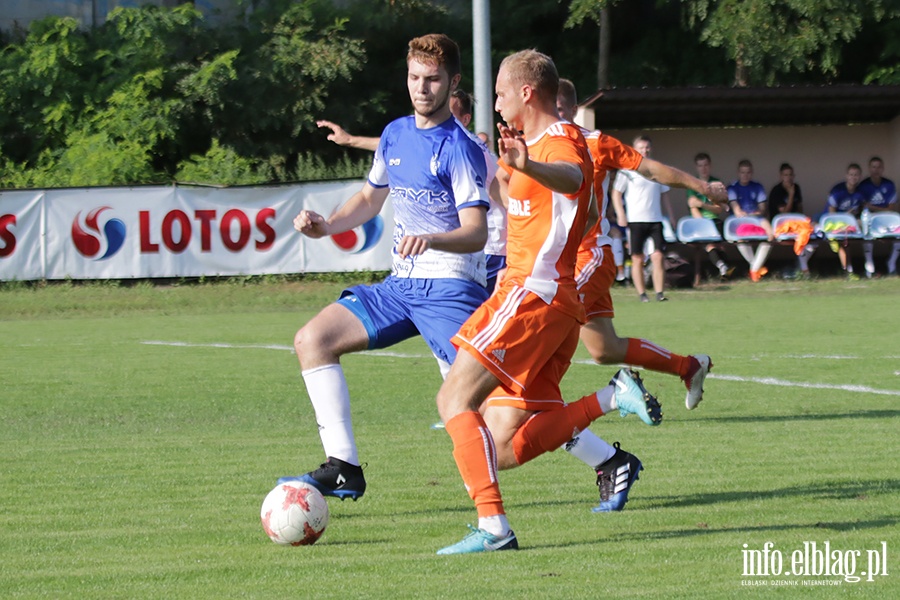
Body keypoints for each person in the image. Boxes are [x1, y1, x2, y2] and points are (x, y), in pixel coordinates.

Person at [434, 49, 661, 555]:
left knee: (452, 399)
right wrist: (509, 169)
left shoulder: (560, 139)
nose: (494, 101)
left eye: (498, 92)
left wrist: (529, 163)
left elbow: (574, 179)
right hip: (548, 303)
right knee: (506, 447)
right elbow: (523, 201)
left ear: (526, 92)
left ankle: (493, 528)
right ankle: (610, 397)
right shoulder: (530, 143)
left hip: (531, 295)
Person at [280, 34, 492, 500]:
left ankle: (604, 452)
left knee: (501, 411)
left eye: (433, 79)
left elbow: (476, 230)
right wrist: (327, 226)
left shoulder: (461, 148)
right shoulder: (395, 134)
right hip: (402, 286)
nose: (422, 88)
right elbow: (369, 199)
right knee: (312, 340)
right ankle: (343, 466)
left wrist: (432, 237)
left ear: (452, 82)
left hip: (451, 288)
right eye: (415, 77)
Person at [317, 90, 508, 294]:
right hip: (463, 252)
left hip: (490, 249)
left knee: (480, 321)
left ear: (465, 119)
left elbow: (503, 193)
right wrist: (350, 141)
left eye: (448, 112)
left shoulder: (468, 149)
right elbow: (395, 146)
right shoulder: (423, 140)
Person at [610, 135, 677, 302]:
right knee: (637, 258)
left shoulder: (657, 169)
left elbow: (665, 195)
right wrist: (621, 214)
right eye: (641, 147)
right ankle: (642, 294)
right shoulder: (627, 171)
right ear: (634, 149)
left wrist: (671, 216)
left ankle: (659, 293)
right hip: (635, 221)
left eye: (647, 147)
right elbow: (616, 194)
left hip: (655, 220)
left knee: (658, 256)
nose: (644, 150)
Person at [686, 152, 733, 283]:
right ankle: (722, 267)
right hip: (700, 222)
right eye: (700, 166)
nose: (703, 168)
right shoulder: (692, 184)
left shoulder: (716, 184)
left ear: (710, 166)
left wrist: (702, 204)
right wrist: (703, 223)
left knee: (720, 246)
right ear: (696, 167)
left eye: (706, 165)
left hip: (714, 220)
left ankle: (726, 271)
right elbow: (692, 207)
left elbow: (718, 209)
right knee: (710, 244)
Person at [727, 159, 774, 282]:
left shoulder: (757, 187)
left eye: (748, 172)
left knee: (771, 236)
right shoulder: (732, 187)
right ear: (738, 173)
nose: (745, 175)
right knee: (740, 239)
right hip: (739, 220)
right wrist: (743, 214)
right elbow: (735, 208)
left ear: (752, 173)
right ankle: (756, 269)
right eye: (743, 172)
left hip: (756, 218)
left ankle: (754, 269)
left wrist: (756, 214)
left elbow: (762, 209)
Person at [859, 156, 899, 277]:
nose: (876, 170)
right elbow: (863, 208)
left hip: (887, 217)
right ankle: (869, 265)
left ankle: (891, 263)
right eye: (873, 167)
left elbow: (891, 209)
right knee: (866, 233)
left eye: (879, 167)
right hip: (870, 218)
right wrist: (877, 209)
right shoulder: (863, 185)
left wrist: (873, 207)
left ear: (883, 169)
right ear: (869, 168)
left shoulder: (889, 184)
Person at [826, 163, 866, 279]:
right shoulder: (837, 191)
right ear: (846, 176)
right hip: (832, 222)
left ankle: (867, 268)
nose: (853, 177)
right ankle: (847, 270)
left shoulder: (860, 192)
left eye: (856, 175)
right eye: (851, 174)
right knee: (844, 242)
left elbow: (861, 210)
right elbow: (831, 214)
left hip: (848, 223)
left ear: (860, 176)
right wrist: (846, 216)